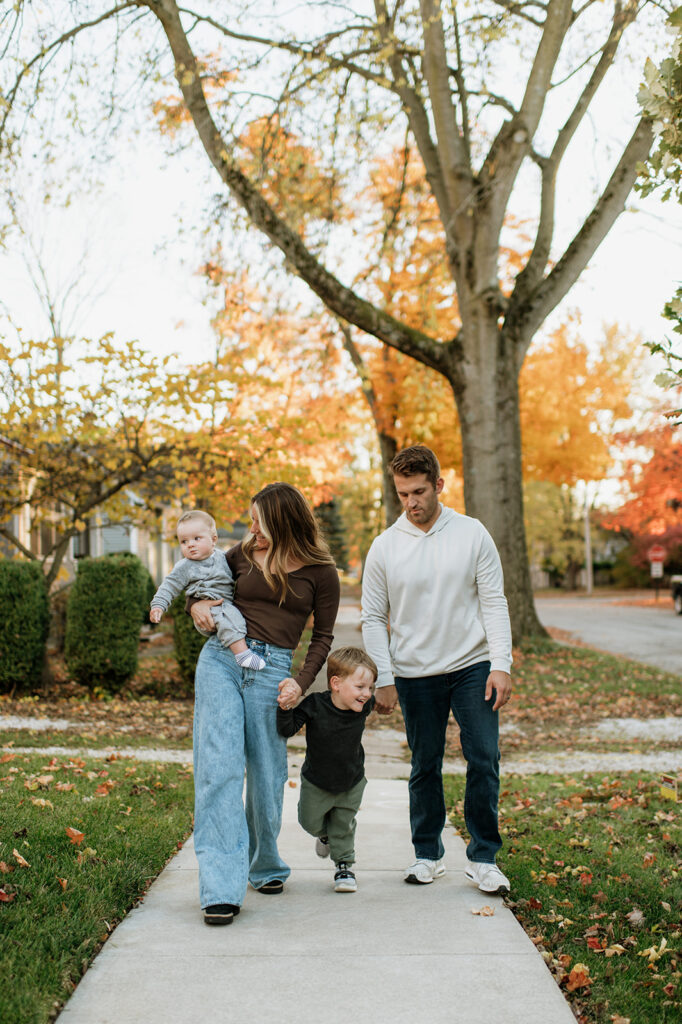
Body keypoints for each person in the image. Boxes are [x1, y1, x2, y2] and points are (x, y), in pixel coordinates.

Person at [361, 445, 513, 896]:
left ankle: (483, 858)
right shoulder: (385, 546)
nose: (412, 501)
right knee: (424, 764)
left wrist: (500, 664)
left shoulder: (472, 533)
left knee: (483, 757)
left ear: (439, 485)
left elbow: (494, 602)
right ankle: (427, 854)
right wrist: (384, 678)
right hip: (414, 673)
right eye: (403, 493)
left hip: (472, 665)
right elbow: (372, 617)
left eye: (420, 491)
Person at [188, 483, 340, 926]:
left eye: (259, 521)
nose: (251, 529)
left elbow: (323, 636)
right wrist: (196, 603)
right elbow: (201, 580)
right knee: (218, 767)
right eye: (251, 520)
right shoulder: (239, 554)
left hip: (273, 670)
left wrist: (301, 680)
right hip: (221, 657)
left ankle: (265, 862)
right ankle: (220, 888)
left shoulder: (320, 572)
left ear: (283, 521)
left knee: (268, 772)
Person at [277, 646, 377, 894]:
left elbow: (380, 700)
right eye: (361, 687)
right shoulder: (315, 705)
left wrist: (389, 695)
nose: (367, 694)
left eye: (371, 688)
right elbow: (287, 729)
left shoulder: (364, 705)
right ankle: (324, 836)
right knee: (308, 821)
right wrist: (285, 708)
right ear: (336, 683)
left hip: (351, 780)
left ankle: (344, 866)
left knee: (343, 825)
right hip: (317, 781)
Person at [149, 509, 266, 670]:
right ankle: (242, 655)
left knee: (235, 615)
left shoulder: (223, 558)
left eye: (196, 538)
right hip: (210, 612)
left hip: (226, 605)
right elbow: (169, 586)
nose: (190, 544)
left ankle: (242, 649)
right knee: (228, 615)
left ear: (213, 539)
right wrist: (158, 605)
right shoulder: (184, 567)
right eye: (184, 541)